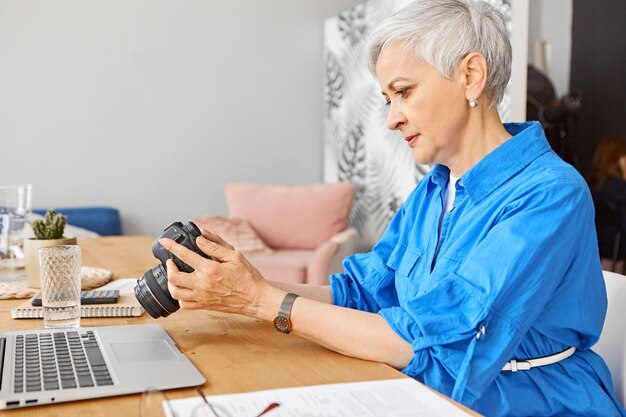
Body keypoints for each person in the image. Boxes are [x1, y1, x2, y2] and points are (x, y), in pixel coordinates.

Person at [159, 0, 626, 415]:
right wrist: (241, 285)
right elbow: (362, 294)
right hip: (422, 389)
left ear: (471, 75)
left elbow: (441, 342)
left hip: (527, 401)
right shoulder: (435, 189)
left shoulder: (549, 194)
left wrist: (260, 302)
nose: (391, 118)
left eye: (403, 91)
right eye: (387, 98)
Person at [587, 136, 626, 263]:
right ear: (618, 160)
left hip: (594, 251)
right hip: (617, 254)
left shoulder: (589, 186)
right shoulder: (621, 189)